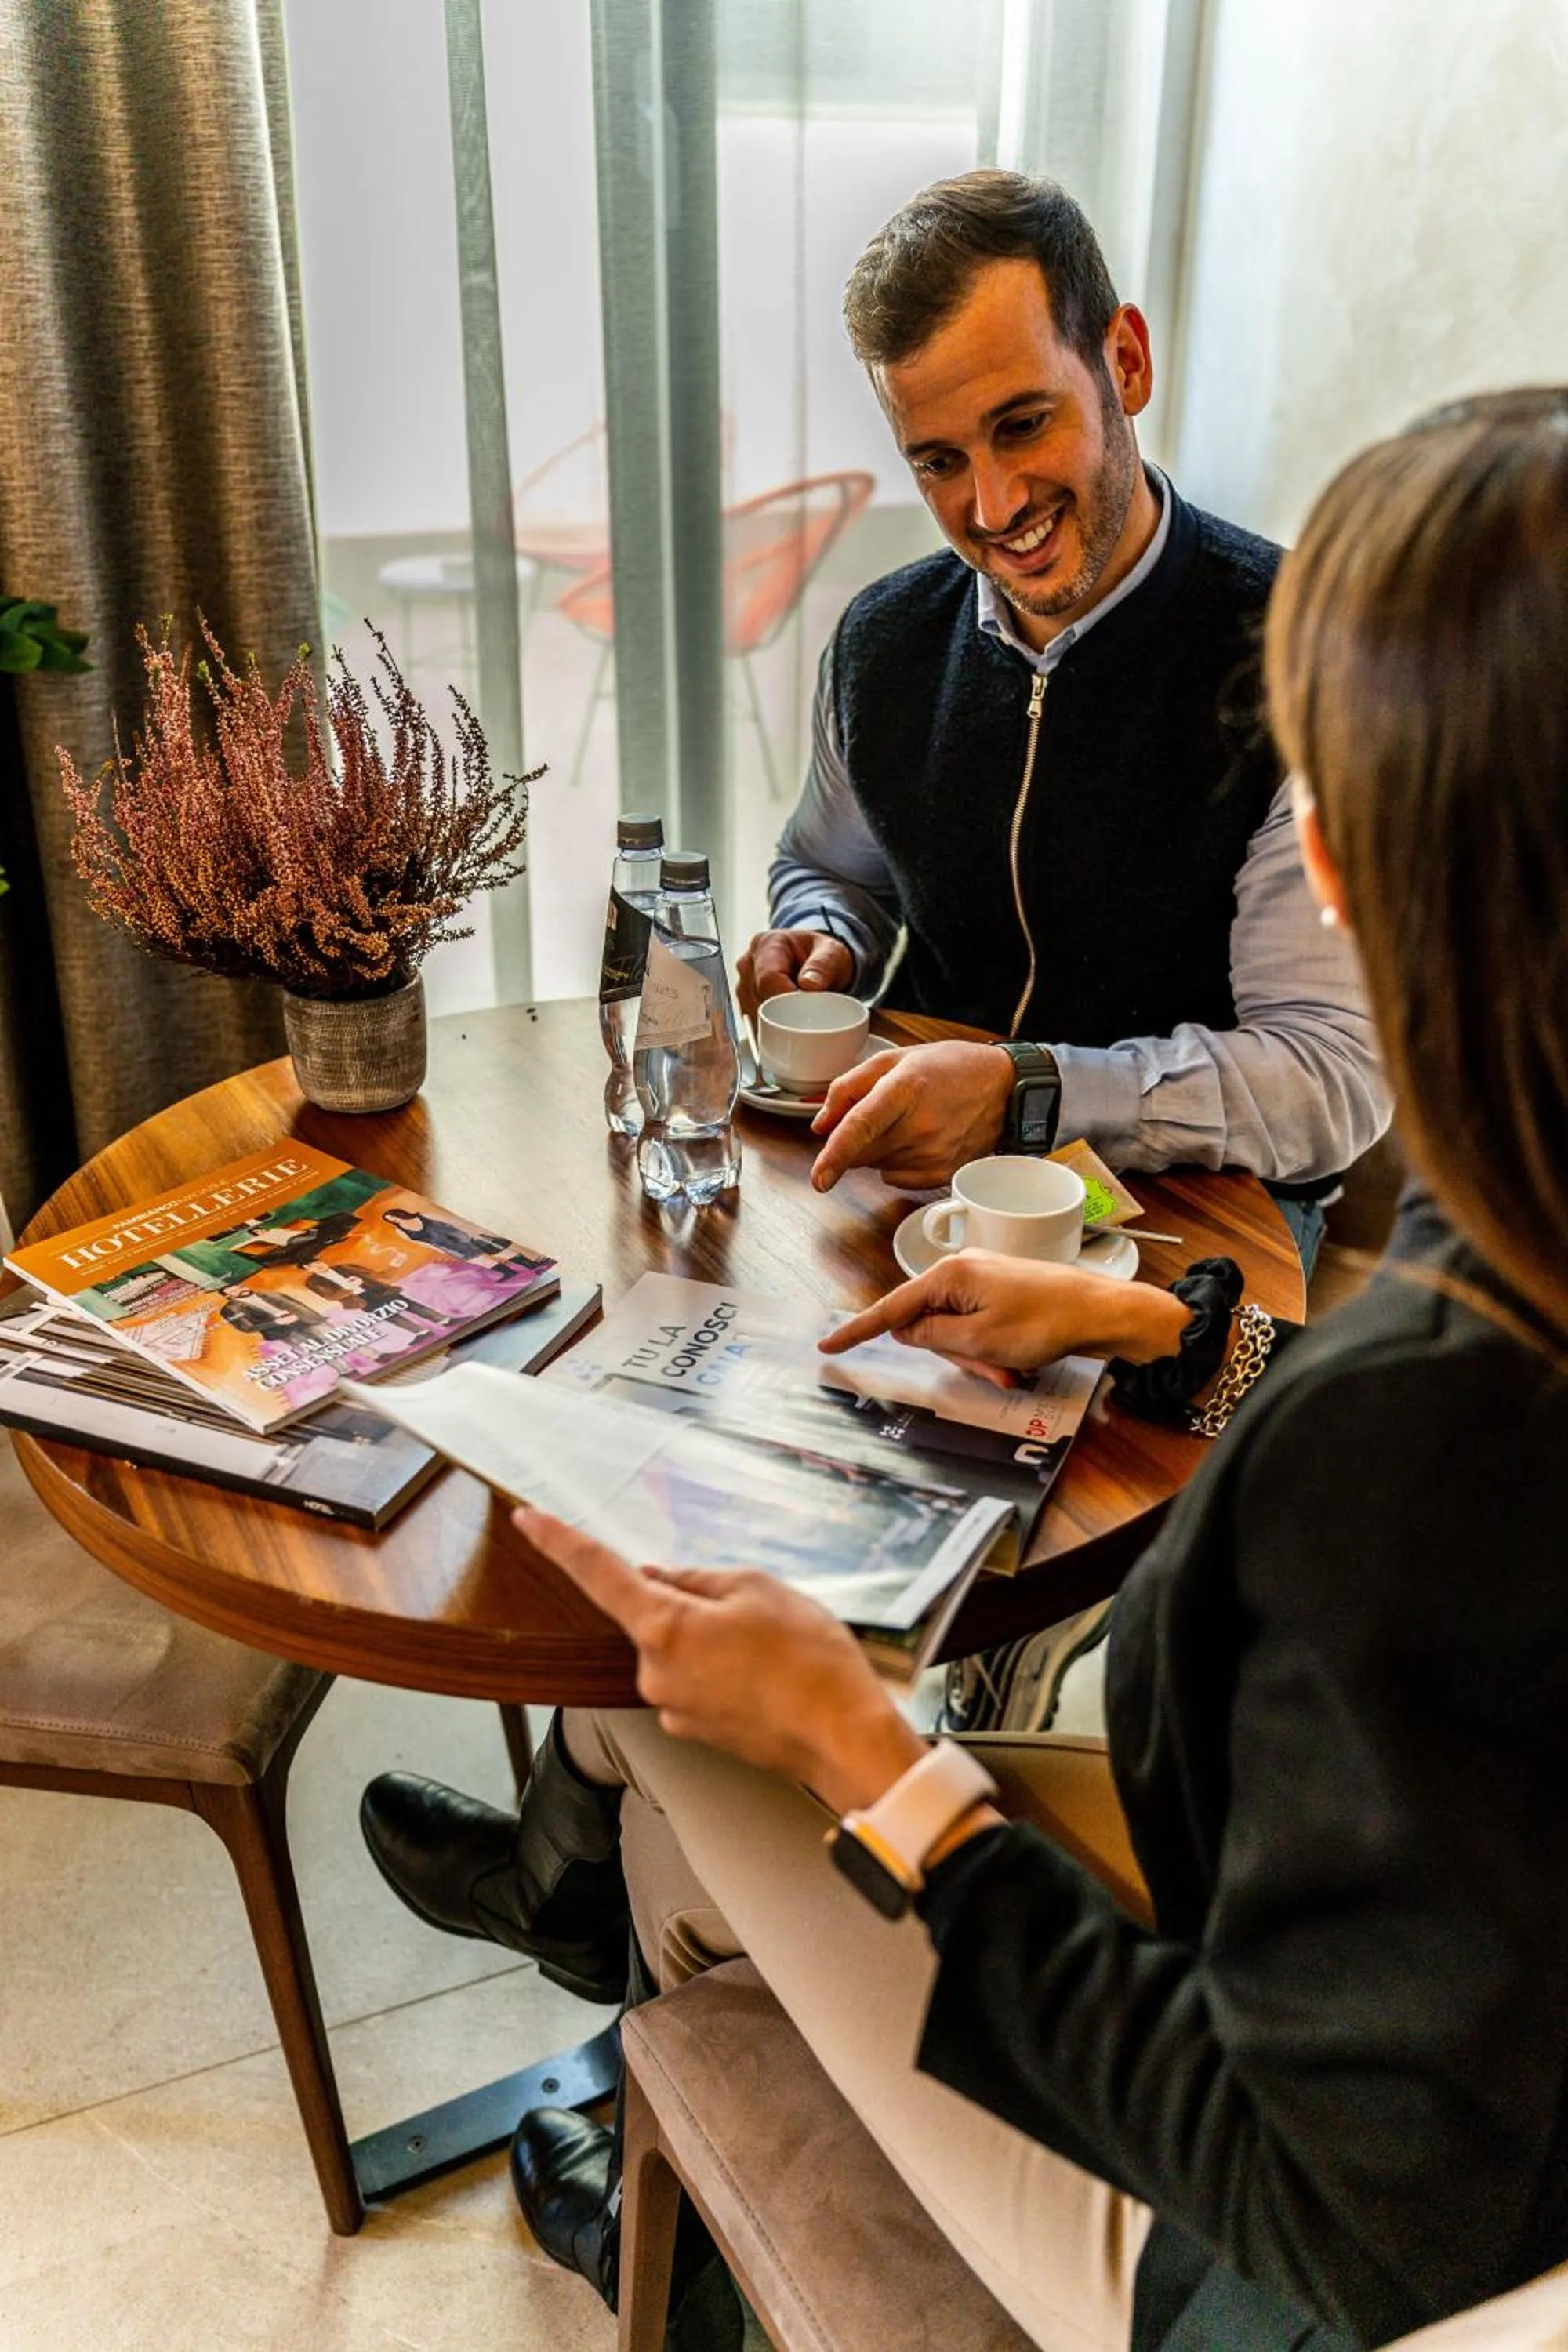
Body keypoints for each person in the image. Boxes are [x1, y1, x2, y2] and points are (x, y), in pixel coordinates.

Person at [361, 391, 1568, 2350]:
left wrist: (868, 1756)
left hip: (1273, 2267)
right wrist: (1148, 1322)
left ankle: (686, 2228)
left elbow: (1339, 2209)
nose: (989, 498)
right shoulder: (1512, 1207)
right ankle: (646, 2076)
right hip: (1423, 2003)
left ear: (1334, 857)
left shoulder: (1424, 1420)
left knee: (687, 1720)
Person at [735, 171, 1389, 1269]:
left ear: (1124, 363)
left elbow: (1325, 1079)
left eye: (1022, 424)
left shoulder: (1304, 659)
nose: (991, 509)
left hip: (1199, 1220)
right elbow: (828, 865)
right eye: (939, 462)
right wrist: (826, 940)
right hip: (914, 1192)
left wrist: (1030, 1095)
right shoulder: (878, 642)